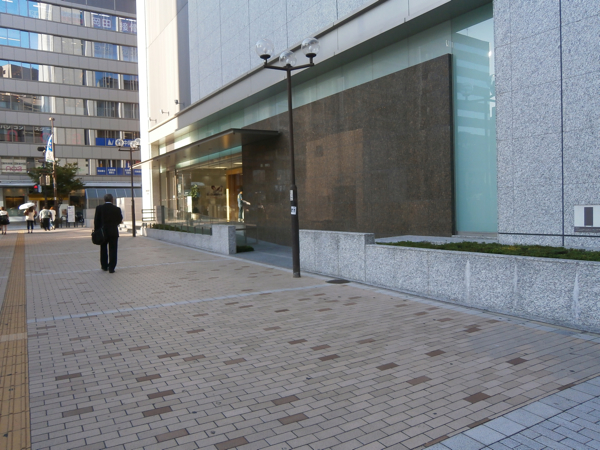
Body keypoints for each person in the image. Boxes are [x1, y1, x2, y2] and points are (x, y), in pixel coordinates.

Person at [94, 193, 123, 273]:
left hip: (102, 232)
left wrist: (97, 231)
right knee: (113, 249)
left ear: (104, 200)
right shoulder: (117, 209)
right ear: (112, 200)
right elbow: (119, 219)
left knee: (103, 249)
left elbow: (96, 221)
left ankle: (104, 266)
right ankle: (111, 267)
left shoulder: (99, 208)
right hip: (113, 231)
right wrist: (114, 224)